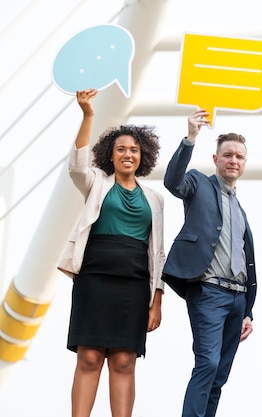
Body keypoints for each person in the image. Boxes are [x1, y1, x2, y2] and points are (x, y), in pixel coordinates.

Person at [57, 88, 165, 417]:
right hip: (94, 279)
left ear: (142, 155)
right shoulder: (97, 184)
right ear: (111, 155)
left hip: (133, 286)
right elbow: (76, 166)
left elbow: (158, 253)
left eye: (133, 150)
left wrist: (156, 299)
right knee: (89, 357)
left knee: (123, 360)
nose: (127, 154)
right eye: (121, 149)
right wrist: (88, 115)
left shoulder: (155, 199)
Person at [161, 108, 257, 417]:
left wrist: (248, 312)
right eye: (227, 154)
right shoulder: (198, 185)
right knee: (208, 363)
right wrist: (190, 138)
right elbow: (173, 181)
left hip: (238, 299)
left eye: (239, 157)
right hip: (209, 292)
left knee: (220, 375)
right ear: (216, 160)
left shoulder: (240, 209)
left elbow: (244, 258)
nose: (233, 160)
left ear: (244, 164)